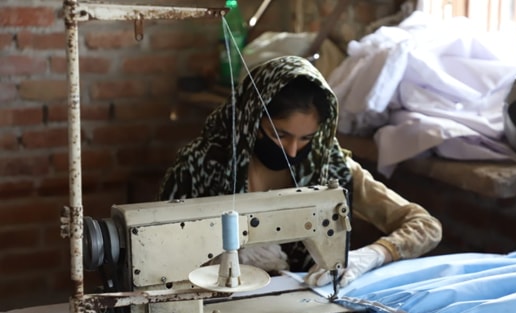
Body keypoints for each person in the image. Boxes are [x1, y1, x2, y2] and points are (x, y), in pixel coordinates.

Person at [159, 55, 442, 287]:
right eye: (280, 135)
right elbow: (157, 250)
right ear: (253, 119)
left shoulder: (330, 169)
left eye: (306, 138)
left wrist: (374, 254)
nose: (293, 151)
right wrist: (215, 261)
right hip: (216, 308)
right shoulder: (200, 165)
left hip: (303, 308)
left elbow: (426, 226)